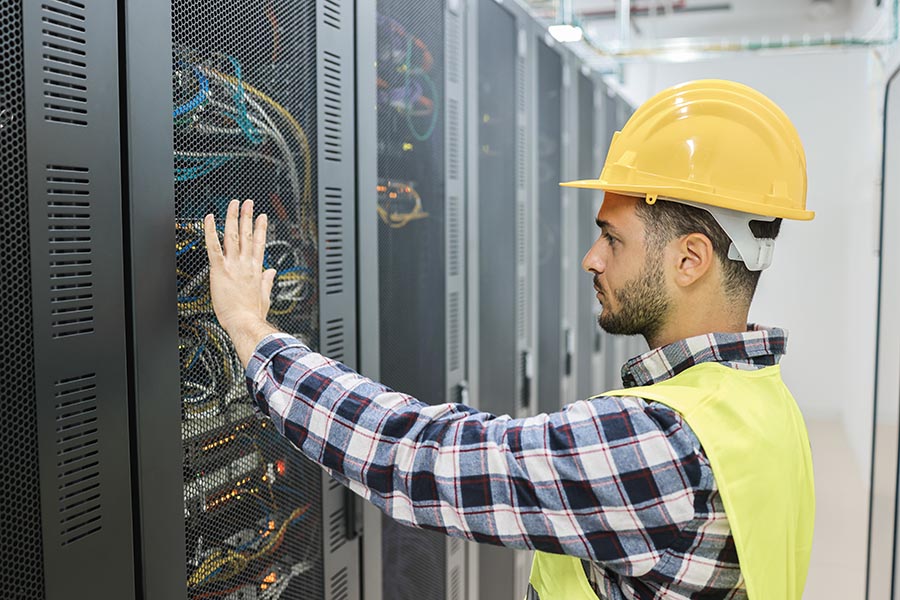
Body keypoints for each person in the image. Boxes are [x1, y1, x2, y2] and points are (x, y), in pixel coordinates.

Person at [204, 79, 815, 599]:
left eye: (613, 237)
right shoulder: (762, 407)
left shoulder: (669, 448)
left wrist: (254, 334)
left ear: (690, 260)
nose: (590, 258)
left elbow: (416, 457)